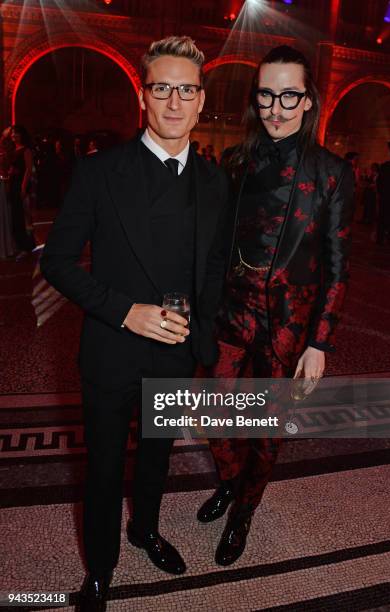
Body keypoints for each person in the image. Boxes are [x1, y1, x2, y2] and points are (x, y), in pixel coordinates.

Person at [40, 36, 228, 611]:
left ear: (201, 102)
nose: (174, 101)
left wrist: (203, 336)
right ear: (143, 97)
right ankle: (99, 571)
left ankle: (145, 530)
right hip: (111, 351)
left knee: (155, 457)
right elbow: (57, 262)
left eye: (187, 90)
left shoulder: (216, 181)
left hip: (175, 352)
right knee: (101, 469)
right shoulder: (99, 172)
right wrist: (125, 311)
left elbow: (214, 268)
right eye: (162, 88)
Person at [197, 45, 354, 566]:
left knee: (266, 426)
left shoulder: (332, 173)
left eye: (290, 94)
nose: (276, 106)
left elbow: (336, 264)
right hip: (231, 309)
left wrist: (319, 342)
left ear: (308, 100)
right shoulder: (237, 159)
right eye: (267, 93)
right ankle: (227, 478)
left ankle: (245, 506)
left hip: (289, 322)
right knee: (215, 411)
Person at [8, 125, 35, 254]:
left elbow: (28, 169)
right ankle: (20, 244)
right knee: (15, 216)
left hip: (20, 184)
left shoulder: (26, 150)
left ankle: (26, 246)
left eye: (16, 133)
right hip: (13, 184)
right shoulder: (14, 149)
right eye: (12, 134)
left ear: (22, 135)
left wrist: (23, 187)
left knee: (22, 216)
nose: (14, 136)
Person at [0, 128, 16, 259]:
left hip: (6, 186)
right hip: (4, 185)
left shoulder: (9, 155)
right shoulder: (4, 155)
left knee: (7, 216)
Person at [376, 140, 390, 246]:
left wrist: (381, 193)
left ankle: (380, 238)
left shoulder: (384, 166)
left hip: (385, 197)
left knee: (382, 218)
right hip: (387, 197)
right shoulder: (385, 166)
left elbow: (379, 182)